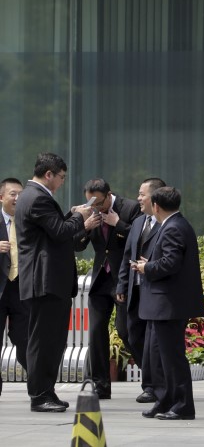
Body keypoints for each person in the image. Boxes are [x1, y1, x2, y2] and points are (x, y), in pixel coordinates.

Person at [16, 153, 93, 412]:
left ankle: (45, 392)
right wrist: (80, 217)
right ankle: (40, 396)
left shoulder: (33, 196)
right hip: (44, 280)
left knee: (51, 340)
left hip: (47, 280)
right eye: (61, 177)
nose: (61, 182)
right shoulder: (37, 197)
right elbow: (60, 231)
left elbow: (53, 230)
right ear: (49, 174)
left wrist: (73, 214)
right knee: (44, 341)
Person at [132, 187, 204, 420]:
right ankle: (166, 401)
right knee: (160, 358)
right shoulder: (174, 225)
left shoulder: (173, 227)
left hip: (169, 305)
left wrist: (147, 267)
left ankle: (182, 405)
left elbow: (171, 263)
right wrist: (151, 262)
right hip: (163, 305)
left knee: (172, 358)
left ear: (156, 207)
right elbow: (171, 259)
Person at [74, 178, 141, 400]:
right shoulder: (89, 212)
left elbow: (142, 237)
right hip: (101, 278)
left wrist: (117, 223)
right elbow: (77, 245)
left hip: (123, 278)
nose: (95, 208)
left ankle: (152, 376)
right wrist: (84, 226)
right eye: (91, 203)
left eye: (99, 203)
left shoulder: (129, 207)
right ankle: (100, 384)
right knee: (95, 332)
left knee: (125, 330)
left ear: (109, 195)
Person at [116, 177, 165, 404]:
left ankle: (152, 386)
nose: (138, 199)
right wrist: (121, 285)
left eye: (142, 194)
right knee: (130, 334)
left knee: (153, 341)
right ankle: (153, 380)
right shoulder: (138, 222)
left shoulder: (167, 223)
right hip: (134, 290)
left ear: (154, 198)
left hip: (154, 292)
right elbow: (128, 255)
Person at [0, 178, 27, 397]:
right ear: (2, 197)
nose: (17, 198)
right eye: (12, 194)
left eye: (20, 194)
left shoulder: (29, 222)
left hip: (22, 289)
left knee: (25, 340)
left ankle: (38, 390)